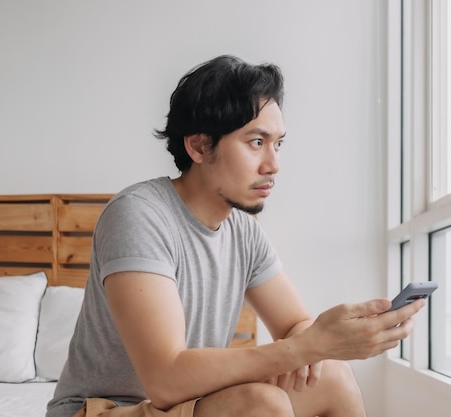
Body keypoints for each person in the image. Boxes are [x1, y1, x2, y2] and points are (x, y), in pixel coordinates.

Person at [46, 55, 424, 417]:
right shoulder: (139, 214)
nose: (273, 164)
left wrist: (325, 339)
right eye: (256, 142)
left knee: (333, 377)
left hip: (187, 403)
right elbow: (164, 379)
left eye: (278, 144)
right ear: (198, 145)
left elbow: (296, 325)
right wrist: (305, 347)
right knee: (262, 405)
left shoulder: (242, 230)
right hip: (105, 409)